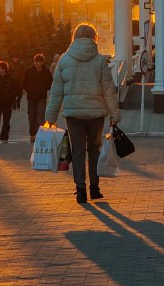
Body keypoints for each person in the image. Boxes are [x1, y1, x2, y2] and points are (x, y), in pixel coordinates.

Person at [45, 23, 119, 204]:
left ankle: (80, 190)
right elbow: (108, 90)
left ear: (74, 38)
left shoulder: (64, 60)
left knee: (77, 151)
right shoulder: (100, 60)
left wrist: (50, 118)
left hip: (73, 115)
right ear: (94, 38)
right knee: (94, 150)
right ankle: (94, 188)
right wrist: (114, 115)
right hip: (96, 115)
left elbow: (56, 92)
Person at [22, 52, 53, 142]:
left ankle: (40, 135)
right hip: (31, 97)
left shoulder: (46, 71)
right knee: (31, 117)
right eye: (35, 62)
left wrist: (44, 89)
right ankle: (32, 134)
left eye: (39, 62)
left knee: (40, 117)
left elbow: (50, 82)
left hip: (41, 97)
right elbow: (24, 82)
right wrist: (29, 90)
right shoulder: (29, 70)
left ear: (42, 62)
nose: (37, 64)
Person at [0, 59, 17, 143]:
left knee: (6, 121)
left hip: (7, 103)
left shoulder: (10, 79)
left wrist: (11, 98)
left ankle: (4, 137)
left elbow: (15, 90)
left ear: (3, 69)